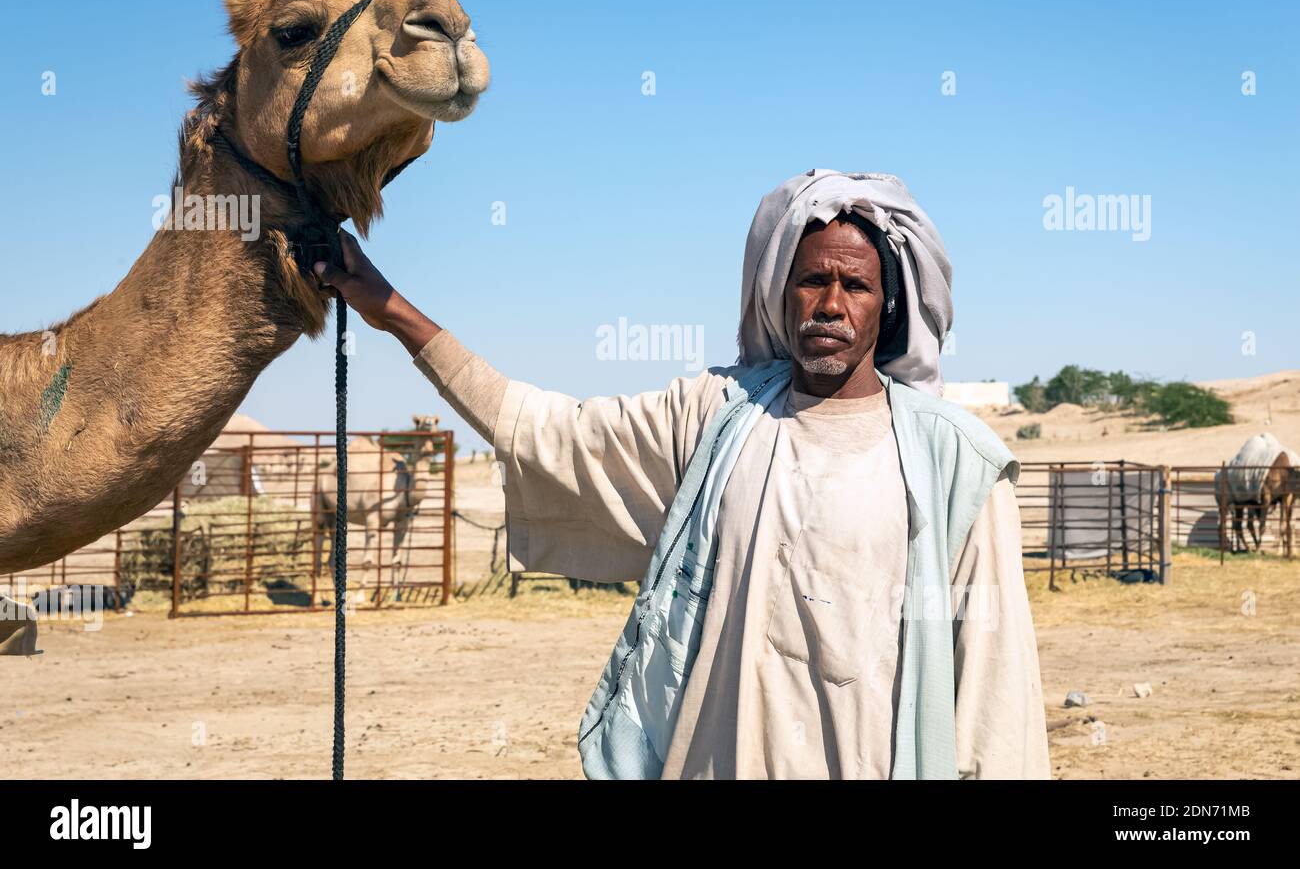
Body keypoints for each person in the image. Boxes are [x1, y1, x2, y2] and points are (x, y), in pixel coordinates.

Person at [314, 169, 1051, 780]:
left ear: (887, 306)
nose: (831, 304)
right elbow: (545, 430)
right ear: (778, 294)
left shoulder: (957, 465)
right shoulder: (715, 418)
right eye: (811, 281)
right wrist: (395, 313)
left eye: (854, 286)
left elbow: (994, 694)